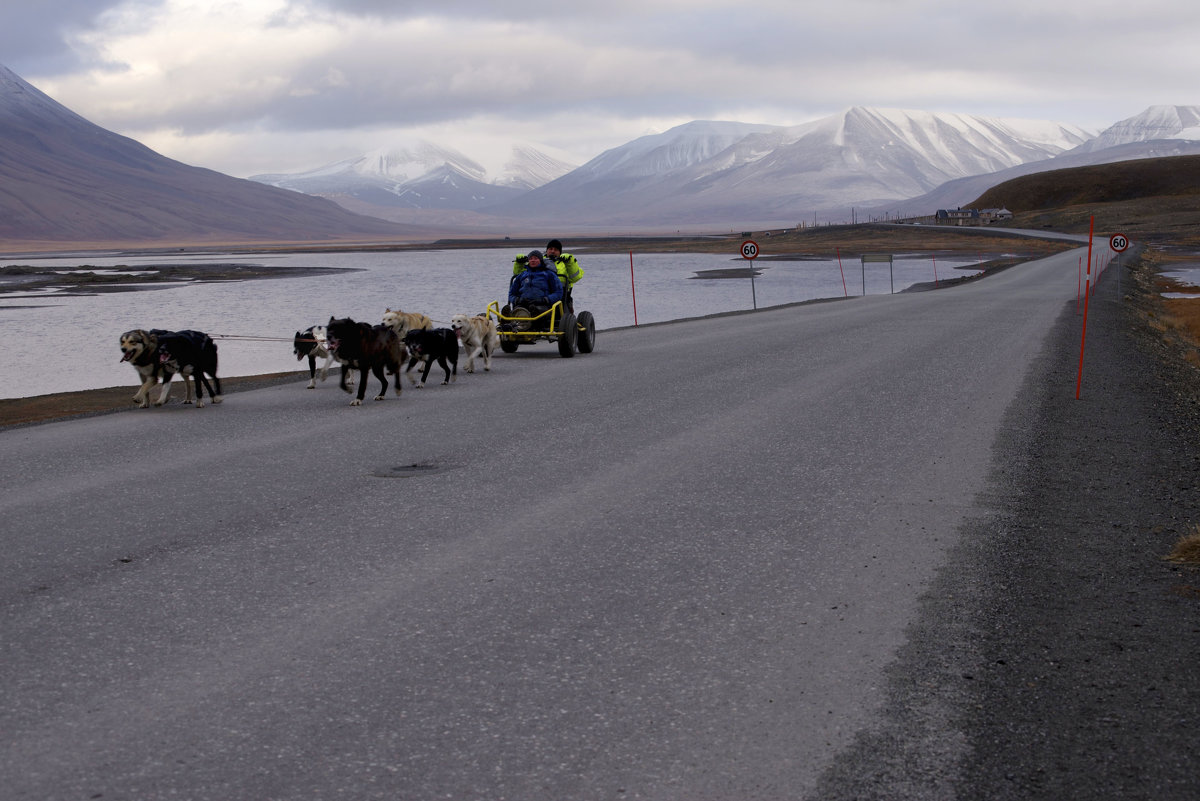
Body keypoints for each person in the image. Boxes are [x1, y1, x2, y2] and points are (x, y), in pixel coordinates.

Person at [506, 250, 563, 314]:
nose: (533, 260)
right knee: (519, 311)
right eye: (531, 259)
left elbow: (558, 293)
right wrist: (517, 300)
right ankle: (507, 316)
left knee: (536, 311)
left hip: (543, 306)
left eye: (536, 258)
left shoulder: (549, 274)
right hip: (523, 304)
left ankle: (526, 314)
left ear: (540, 260)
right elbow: (511, 294)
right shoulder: (522, 275)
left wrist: (545, 300)